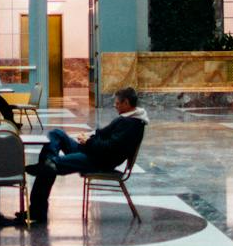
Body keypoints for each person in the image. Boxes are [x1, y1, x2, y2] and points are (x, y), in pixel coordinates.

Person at [25, 86, 149, 222]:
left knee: (50, 167)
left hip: (98, 161)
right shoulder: (127, 118)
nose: (115, 105)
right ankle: (48, 163)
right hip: (92, 152)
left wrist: (89, 141)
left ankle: (37, 211)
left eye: (117, 103)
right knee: (56, 134)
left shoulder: (131, 125)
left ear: (126, 103)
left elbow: (110, 148)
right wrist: (89, 137)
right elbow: (103, 134)